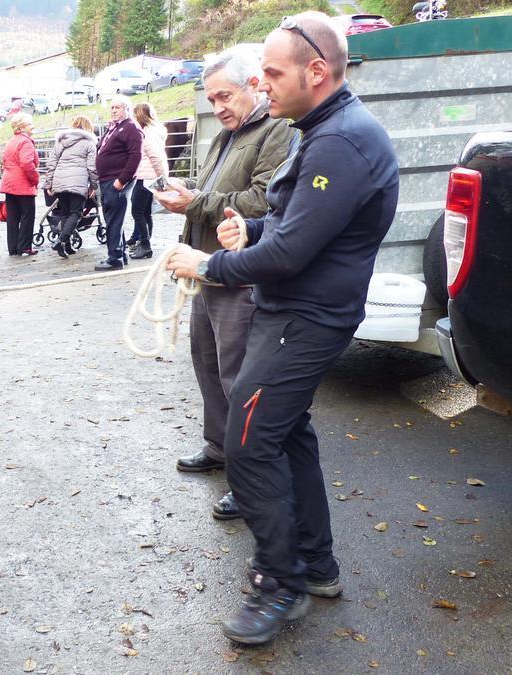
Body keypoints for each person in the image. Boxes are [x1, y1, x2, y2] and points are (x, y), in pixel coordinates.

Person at [164, 12, 399, 645]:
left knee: (248, 438)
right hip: (290, 310)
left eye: (272, 73)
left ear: (316, 72)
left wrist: (210, 261)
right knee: (287, 432)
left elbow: (293, 255)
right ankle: (315, 564)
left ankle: (281, 580)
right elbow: (294, 226)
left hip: (305, 317)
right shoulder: (315, 129)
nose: (262, 86)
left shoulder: (341, 142)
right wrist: (253, 230)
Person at [154, 46, 295, 526]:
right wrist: (186, 202)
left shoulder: (277, 131)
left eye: (225, 96)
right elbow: (211, 192)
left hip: (240, 273)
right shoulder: (225, 135)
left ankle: (246, 476)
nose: (218, 107)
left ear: (253, 84)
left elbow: (261, 202)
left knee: (239, 376)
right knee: (208, 362)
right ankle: (219, 446)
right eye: (212, 98)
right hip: (204, 266)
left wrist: (196, 203)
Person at [94, 96, 143, 270]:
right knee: (114, 219)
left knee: (114, 220)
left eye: (118, 107)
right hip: (107, 179)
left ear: (127, 110)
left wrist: (122, 180)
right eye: (112, 107)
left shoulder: (130, 128)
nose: (114, 110)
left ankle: (114, 258)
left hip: (117, 180)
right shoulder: (116, 127)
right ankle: (119, 254)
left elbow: (136, 155)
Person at [41, 115, 97, 259]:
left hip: (60, 181)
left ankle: (67, 245)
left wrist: (49, 183)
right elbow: (92, 168)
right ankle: (61, 240)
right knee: (76, 213)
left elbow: (51, 163)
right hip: (78, 181)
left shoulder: (61, 141)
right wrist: (93, 185)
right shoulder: (89, 143)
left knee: (65, 213)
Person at [127, 102, 169, 260]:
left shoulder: (147, 134)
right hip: (148, 177)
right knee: (145, 212)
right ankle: (145, 242)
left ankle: (145, 245)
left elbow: (156, 158)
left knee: (137, 211)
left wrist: (162, 179)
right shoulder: (153, 132)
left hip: (146, 178)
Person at [0, 113, 40, 256]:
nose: (32, 126)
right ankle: (24, 246)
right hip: (22, 184)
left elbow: (4, 161)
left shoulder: (12, 141)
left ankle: (13, 247)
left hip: (9, 183)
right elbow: (26, 163)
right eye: (30, 124)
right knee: (27, 216)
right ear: (22, 127)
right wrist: (35, 179)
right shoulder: (26, 142)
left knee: (13, 217)